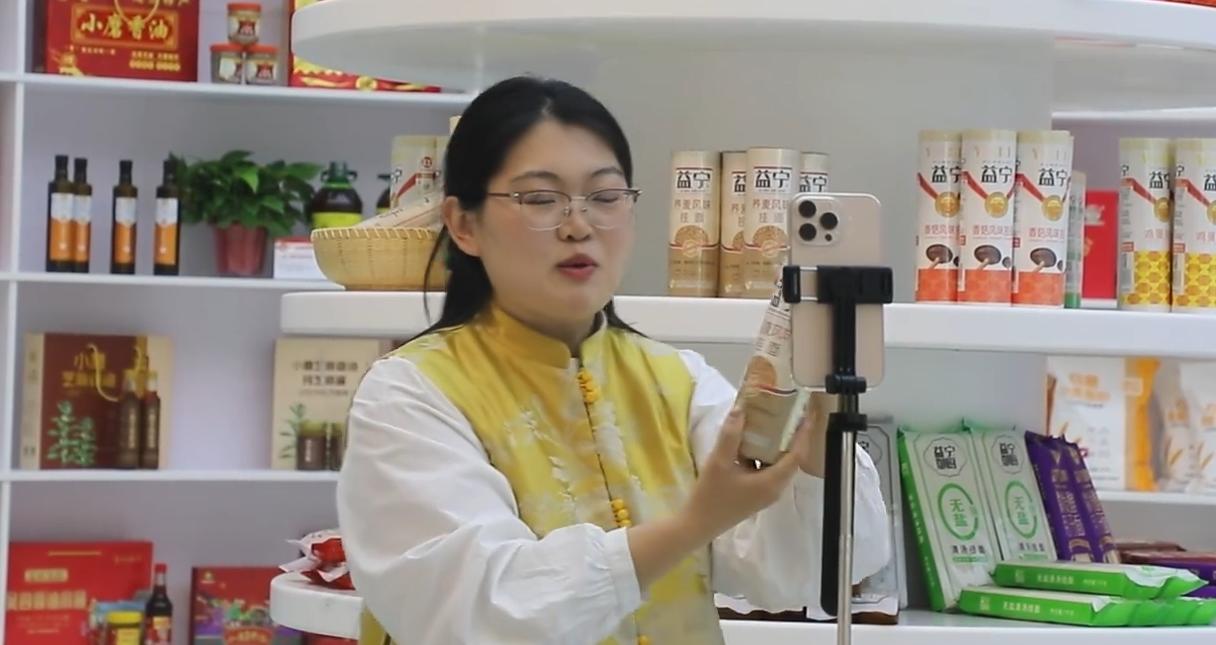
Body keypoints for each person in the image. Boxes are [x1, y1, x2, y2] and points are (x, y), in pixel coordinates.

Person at [339, 75, 892, 645]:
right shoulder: (410, 392)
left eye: (605, 198)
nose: (579, 226)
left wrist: (820, 439)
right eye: (541, 199)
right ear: (463, 224)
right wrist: (694, 524)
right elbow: (479, 613)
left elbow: (799, 575)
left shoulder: (679, 381)